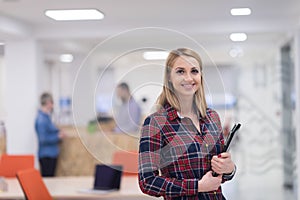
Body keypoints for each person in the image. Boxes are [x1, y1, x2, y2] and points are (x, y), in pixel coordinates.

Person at [138, 48, 236, 200]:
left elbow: (218, 176)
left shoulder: (212, 117)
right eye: (180, 71)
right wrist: (198, 186)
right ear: (169, 77)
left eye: (194, 71)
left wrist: (229, 169)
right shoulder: (155, 123)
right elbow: (147, 182)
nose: (189, 78)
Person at [35, 92, 64, 177]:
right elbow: (43, 139)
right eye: (52, 103)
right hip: (46, 156)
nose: (52, 105)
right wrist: (57, 136)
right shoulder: (41, 120)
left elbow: (50, 130)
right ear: (48, 103)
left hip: (51, 154)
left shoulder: (46, 117)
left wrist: (57, 131)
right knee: (48, 180)